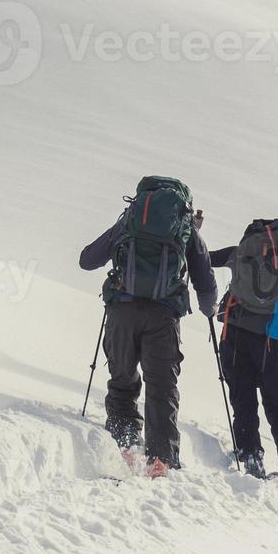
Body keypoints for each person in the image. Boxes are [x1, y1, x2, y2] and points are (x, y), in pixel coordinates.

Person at [80, 177, 217, 477]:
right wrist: (210, 310)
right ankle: (161, 458)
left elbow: (88, 260)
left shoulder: (130, 219)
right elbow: (204, 276)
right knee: (162, 386)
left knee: (123, 379)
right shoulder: (185, 227)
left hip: (122, 310)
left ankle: (125, 441)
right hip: (163, 315)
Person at [211, 218, 278, 493]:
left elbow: (204, 259)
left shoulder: (239, 254)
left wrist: (194, 230)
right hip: (269, 346)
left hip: (234, 337)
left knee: (243, 399)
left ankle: (250, 454)